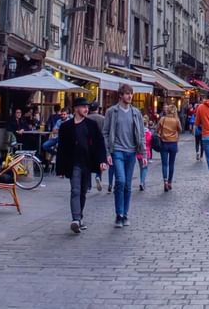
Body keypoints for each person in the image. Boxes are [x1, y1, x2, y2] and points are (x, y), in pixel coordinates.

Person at [56, 95, 109, 234]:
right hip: (73, 162)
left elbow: (99, 144)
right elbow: (61, 148)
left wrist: (102, 160)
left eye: (87, 107)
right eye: (83, 107)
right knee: (75, 190)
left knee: (83, 191)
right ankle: (76, 219)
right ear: (76, 109)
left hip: (87, 162)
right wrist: (60, 168)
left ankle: (80, 218)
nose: (86, 109)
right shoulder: (66, 126)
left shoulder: (91, 125)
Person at [103, 83, 147, 227]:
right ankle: (118, 214)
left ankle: (125, 214)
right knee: (120, 181)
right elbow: (105, 132)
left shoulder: (136, 113)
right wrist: (107, 152)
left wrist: (144, 154)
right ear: (121, 95)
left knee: (128, 185)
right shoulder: (112, 112)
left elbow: (141, 135)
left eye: (131, 93)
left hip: (131, 152)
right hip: (117, 151)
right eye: (127, 93)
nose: (130, 96)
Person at [155, 102, 181, 191]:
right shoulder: (176, 120)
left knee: (164, 164)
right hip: (173, 143)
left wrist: (162, 133)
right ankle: (170, 182)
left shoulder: (163, 119)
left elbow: (157, 129)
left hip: (164, 143)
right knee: (171, 164)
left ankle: (165, 181)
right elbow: (180, 129)